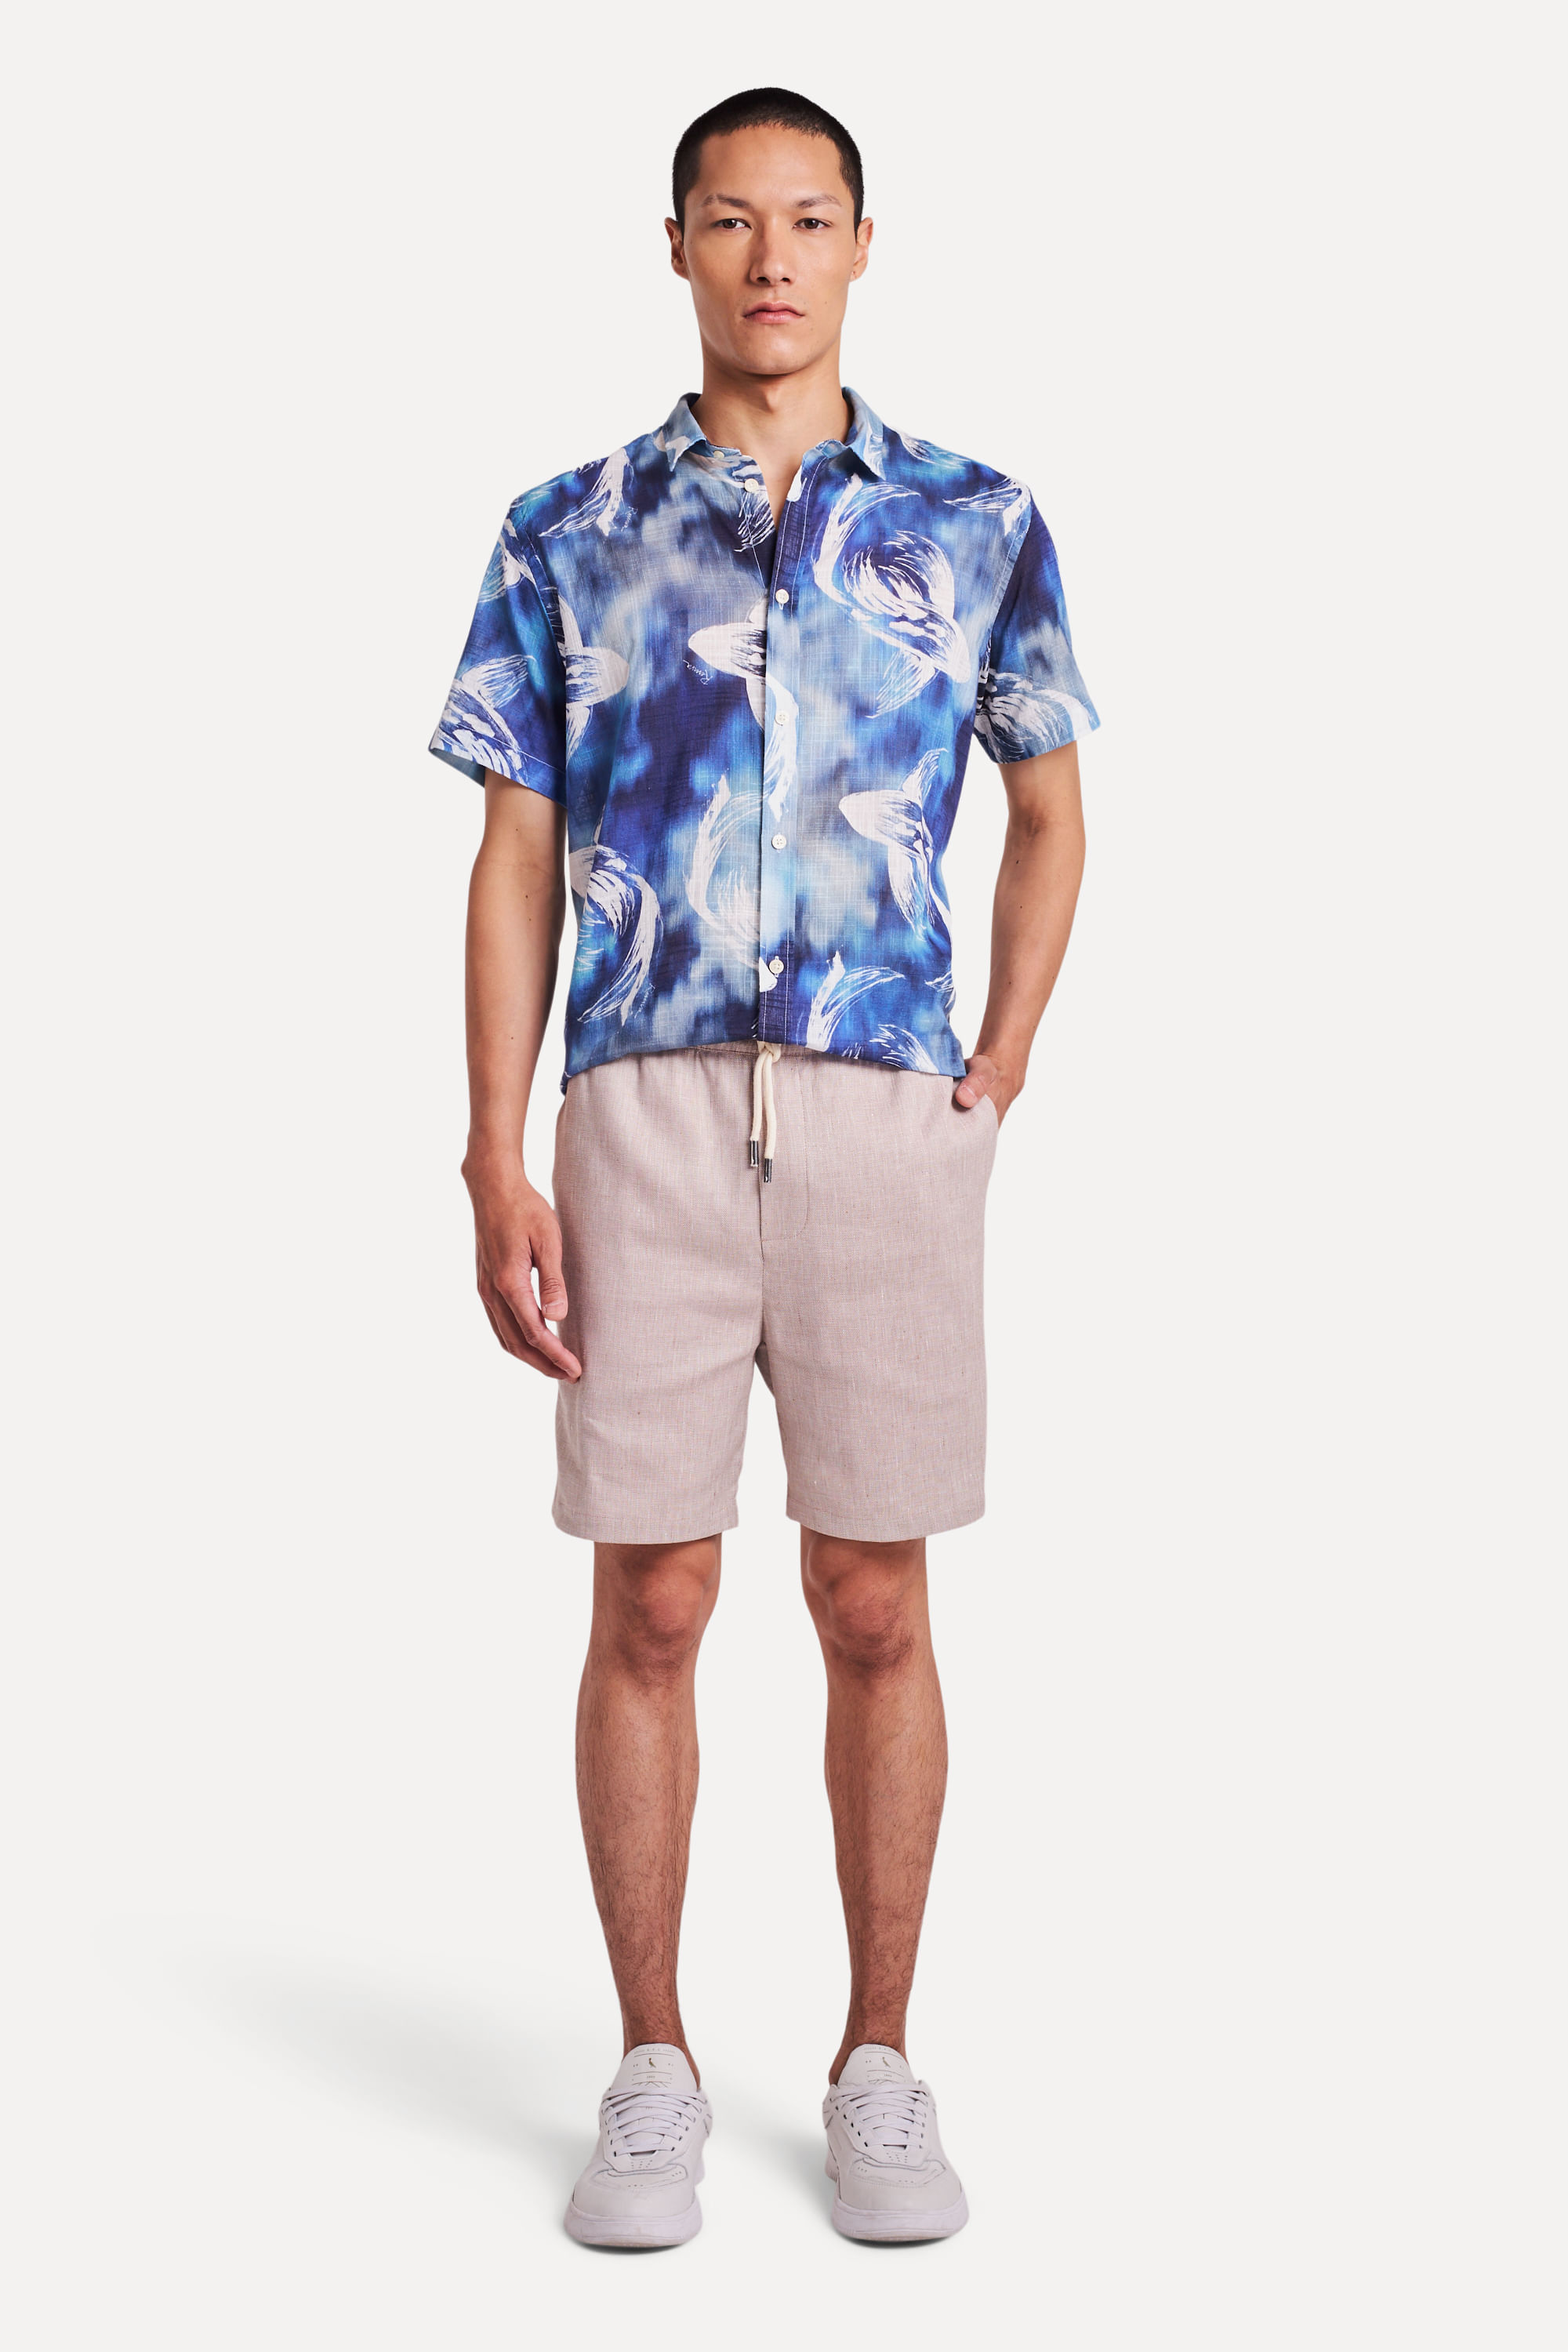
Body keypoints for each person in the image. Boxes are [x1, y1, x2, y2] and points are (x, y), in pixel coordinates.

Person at [429, 87, 1098, 2248]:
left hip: (888, 1114)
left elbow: (1053, 808)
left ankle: (879, 2061)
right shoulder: (568, 526)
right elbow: (513, 849)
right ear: (679, 247)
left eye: (810, 219)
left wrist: (997, 1065)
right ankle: (653, 2067)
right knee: (652, 1594)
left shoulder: (978, 520)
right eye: (734, 220)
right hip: (639, 1109)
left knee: (875, 1598)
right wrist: (494, 1152)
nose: (773, 257)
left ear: (863, 246)